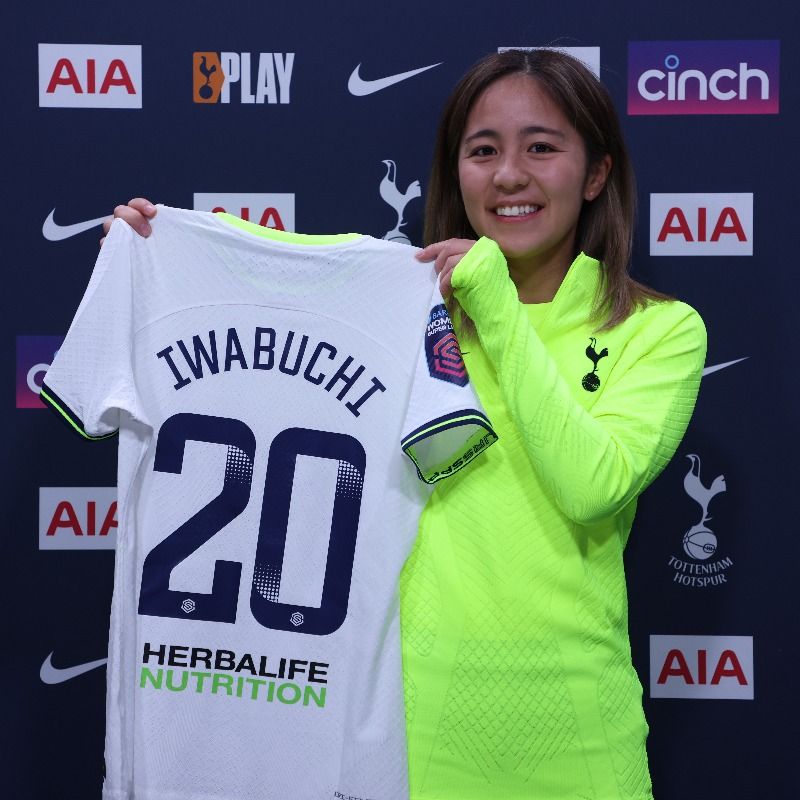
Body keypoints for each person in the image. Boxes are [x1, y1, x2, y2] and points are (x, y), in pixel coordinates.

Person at [103, 49, 705, 800]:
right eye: (482, 151)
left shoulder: (661, 329)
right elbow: (285, 302)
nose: (509, 175)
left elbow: (592, 485)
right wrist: (176, 258)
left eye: (541, 147)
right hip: (402, 740)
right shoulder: (400, 316)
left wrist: (492, 301)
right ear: (455, 172)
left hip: (579, 740)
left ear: (595, 175)